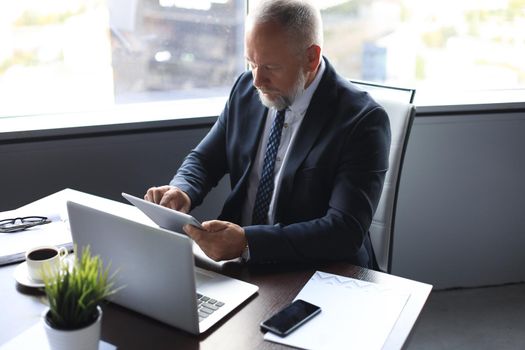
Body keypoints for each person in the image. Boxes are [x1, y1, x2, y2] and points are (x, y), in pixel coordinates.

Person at [144, 0, 391, 269]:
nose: (257, 81)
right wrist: (182, 189)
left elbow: (343, 231)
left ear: (311, 57)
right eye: (251, 62)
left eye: (271, 68)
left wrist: (248, 241)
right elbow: (206, 159)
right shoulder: (246, 90)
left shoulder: (363, 121)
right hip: (241, 264)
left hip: (320, 271)